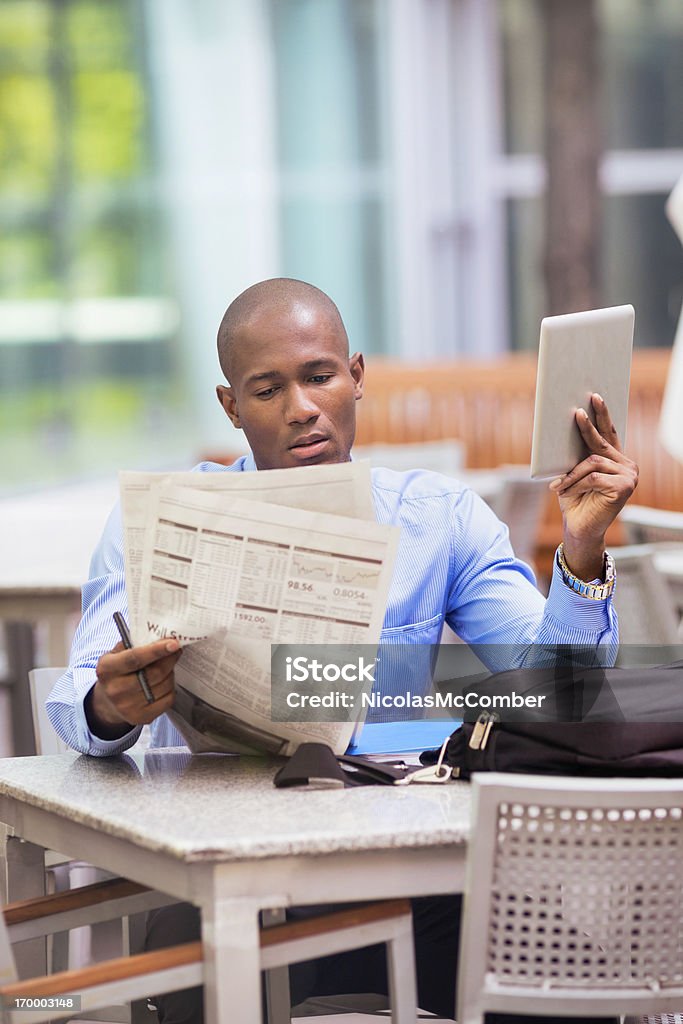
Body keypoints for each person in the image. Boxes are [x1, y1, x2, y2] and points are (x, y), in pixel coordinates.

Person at [47, 278, 638, 1021]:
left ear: (355, 377)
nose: (300, 408)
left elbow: (561, 698)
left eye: (319, 377)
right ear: (231, 406)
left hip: (403, 867)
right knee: (189, 967)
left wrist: (581, 552)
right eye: (266, 389)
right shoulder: (164, 520)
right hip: (232, 877)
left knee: (552, 961)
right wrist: (110, 705)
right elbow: (76, 699)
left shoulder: (438, 518)